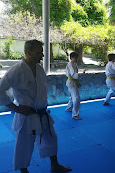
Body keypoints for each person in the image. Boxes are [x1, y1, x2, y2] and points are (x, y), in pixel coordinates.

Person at [0, 40, 71, 173]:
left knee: (51, 138)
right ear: (28, 53)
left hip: (42, 112)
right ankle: (24, 171)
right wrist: (15, 108)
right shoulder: (16, 70)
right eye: (39, 52)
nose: (42, 55)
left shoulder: (39, 68)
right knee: (24, 145)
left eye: (42, 52)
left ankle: (54, 165)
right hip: (27, 115)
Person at [65, 52, 86, 120]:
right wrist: (81, 73)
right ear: (71, 58)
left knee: (72, 97)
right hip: (71, 82)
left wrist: (79, 73)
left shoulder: (73, 64)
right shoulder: (70, 64)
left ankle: (69, 108)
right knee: (76, 98)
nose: (77, 59)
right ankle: (75, 114)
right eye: (75, 58)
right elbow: (73, 74)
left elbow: (74, 73)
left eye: (77, 58)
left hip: (71, 82)